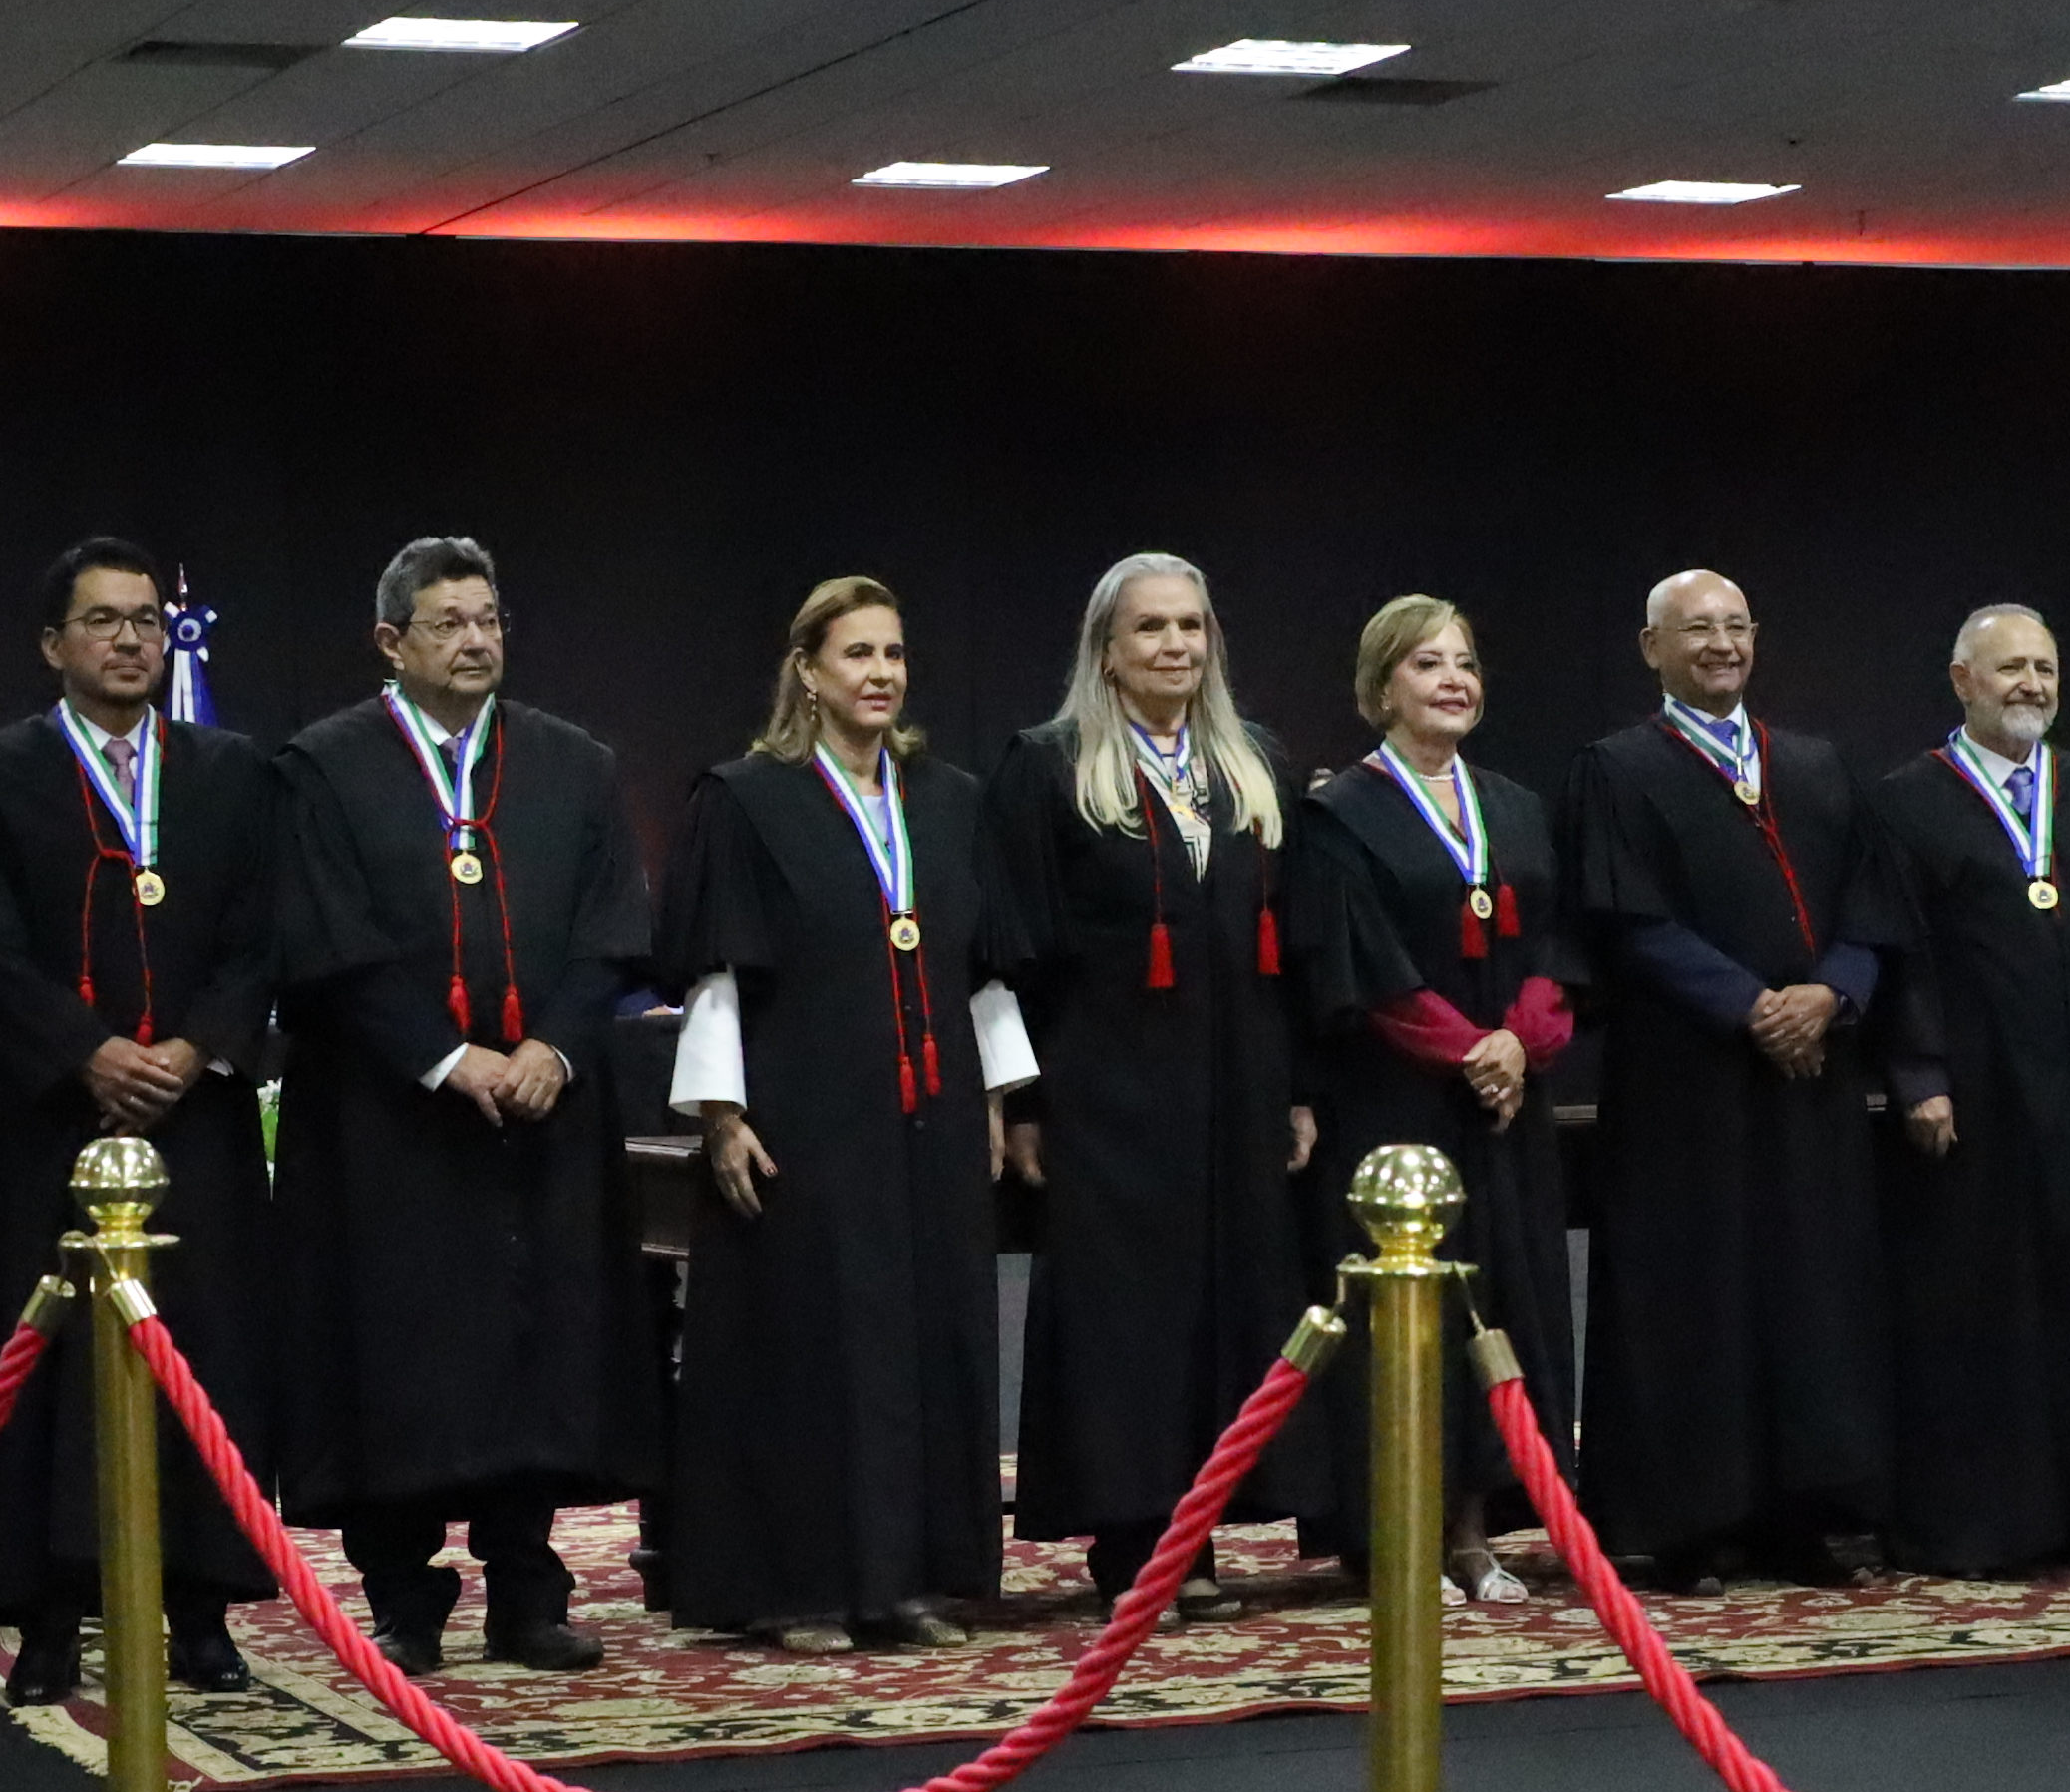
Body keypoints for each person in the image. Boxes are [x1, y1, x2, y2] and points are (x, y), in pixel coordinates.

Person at [274, 537, 654, 1675]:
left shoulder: (573, 763)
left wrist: (554, 1046)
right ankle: (404, 1597)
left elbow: (613, 929)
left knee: (538, 1349)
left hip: (540, 1115)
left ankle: (528, 1593)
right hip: (388, 1124)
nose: (476, 640)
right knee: (396, 1355)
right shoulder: (324, 767)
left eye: (488, 620)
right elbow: (325, 940)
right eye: (449, 623)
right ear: (391, 643)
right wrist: (447, 1059)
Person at [0, 538, 283, 1704]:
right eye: (103, 622)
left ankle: (202, 1611)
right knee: (46, 1372)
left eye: (144, 622)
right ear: (52, 644)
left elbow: (263, 936)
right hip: (46, 1126)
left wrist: (194, 1046)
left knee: (203, 1357)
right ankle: (47, 1621)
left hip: (194, 1122)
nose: (130, 641)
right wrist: (85, 1052)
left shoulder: (231, 771)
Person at [657, 577, 1035, 1650]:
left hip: (932, 1117)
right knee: (814, 1344)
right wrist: (721, 1114)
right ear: (808, 672)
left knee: (924, 1337)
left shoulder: (949, 800)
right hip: (806, 1116)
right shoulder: (747, 800)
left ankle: (905, 1580)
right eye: (857, 654)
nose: (881, 674)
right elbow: (717, 974)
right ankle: (800, 1588)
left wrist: (997, 1099)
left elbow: (980, 969)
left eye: (894, 654)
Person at [985, 553, 1317, 1622]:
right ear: (1106, 651)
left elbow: (1293, 945)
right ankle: (1130, 1540)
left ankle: (1199, 1530)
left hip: (1233, 1089)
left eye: (1191, 626)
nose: (1175, 645)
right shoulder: (1049, 767)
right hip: (1105, 1096)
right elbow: (1015, 949)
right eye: (1150, 629)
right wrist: (1023, 1101)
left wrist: (1295, 1089)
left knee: (1226, 1308)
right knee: (1127, 1319)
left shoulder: (1252, 763)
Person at [1849, 604, 2070, 1577]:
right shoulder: (1906, 802)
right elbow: (1899, 954)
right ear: (1962, 680)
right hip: (1977, 1099)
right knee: (1984, 1308)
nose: (2031, 686)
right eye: (2010, 668)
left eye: (2044, 668)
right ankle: (1985, 1524)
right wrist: (1919, 1076)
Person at [1557, 569, 1885, 1592]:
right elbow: (1626, 922)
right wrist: (1752, 1007)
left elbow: (1871, 909)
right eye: (1696, 629)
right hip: (1685, 1084)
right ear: (1651, 647)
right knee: (1691, 1296)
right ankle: (1687, 1523)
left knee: (1809, 1292)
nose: (1721, 645)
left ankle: (1800, 1513)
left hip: (1810, 1081)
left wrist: (1830, 995)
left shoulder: (1816, 764)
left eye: (1737, 626)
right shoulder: (1617, 770)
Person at [1286, 595, 1577, 1603]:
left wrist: (1520, 1043)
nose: (1453, 680)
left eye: (1464, 663)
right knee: (1403, 1327)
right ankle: (1394, 1537)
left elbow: (1557, 950)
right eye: (1426, 664)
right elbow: (1362, 969)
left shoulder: (1516, 806)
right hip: (1397, 1114)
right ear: (1381, 688)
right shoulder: (1338, 817)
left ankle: (1474, 1534)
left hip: (1504, 1113)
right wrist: (1471, 1052)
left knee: (1496, 1309)